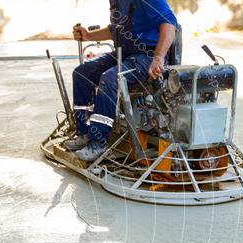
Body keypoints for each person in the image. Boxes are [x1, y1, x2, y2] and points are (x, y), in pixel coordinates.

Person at [65, 0, 178, 162]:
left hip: (147, 55)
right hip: (125, 52)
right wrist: (88, 36)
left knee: (110, 78)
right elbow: (116, 31)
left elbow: (169, 24)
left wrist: (159, 57)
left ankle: (99, 142)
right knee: (82, 73)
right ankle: (84, 134)